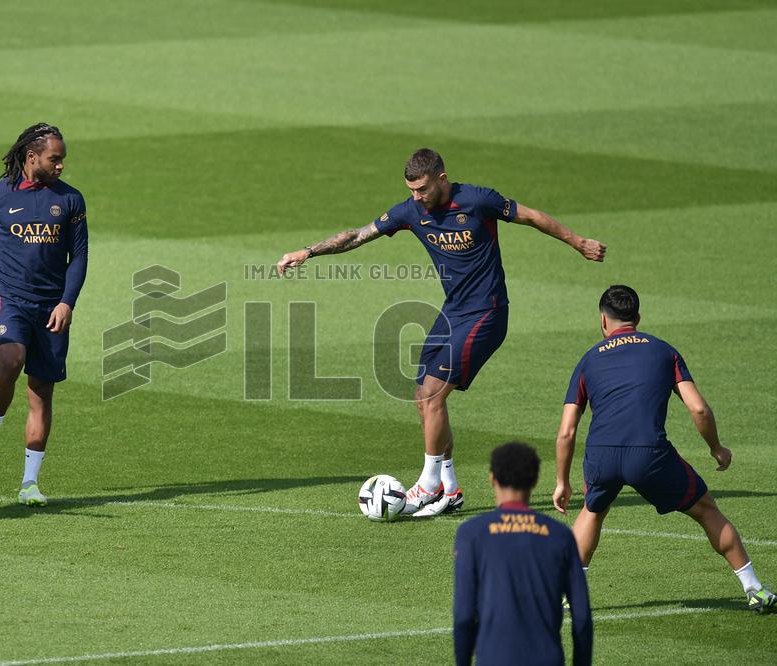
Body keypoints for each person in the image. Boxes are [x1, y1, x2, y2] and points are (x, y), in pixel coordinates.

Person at [277, 148, 606, 515]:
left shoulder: (478, 200)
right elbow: (357, 236)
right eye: (411, 190)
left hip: (487, 315)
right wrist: (307, 252)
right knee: (422, 393)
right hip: (453, 312)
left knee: (433, 394)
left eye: (422, 189)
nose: (416, 197)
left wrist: (578, 243)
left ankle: (427, 484)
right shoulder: (410, 211)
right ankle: (449, 488)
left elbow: (532, 217)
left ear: (441, 179)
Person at [553, 285, 776, 612]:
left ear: (603, 321)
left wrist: (562, 481)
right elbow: (698, 408)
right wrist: (716, 448)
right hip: (649, 454)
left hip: (602, 454)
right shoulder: (663, 351)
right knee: (706, 510)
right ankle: (754, 588)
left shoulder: (588, 360)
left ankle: (565, 595)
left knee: (593, 510)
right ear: (638, 318)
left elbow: (566, 432)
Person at [0, 123, 89, 506]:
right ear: (33, 157)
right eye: (55, 158)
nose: (61, 166)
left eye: (62, 159)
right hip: (10, 299)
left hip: (51, 308)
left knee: (40, 393)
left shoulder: (71, 201)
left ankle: (30, 482)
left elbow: (78, 256)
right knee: (11, 360)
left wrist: (67, 303)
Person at [453, 442, 591, 666]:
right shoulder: (560, 535)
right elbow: (582, 617)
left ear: (492, 479)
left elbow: (464, 617)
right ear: (535, 480)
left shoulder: (472, 534)